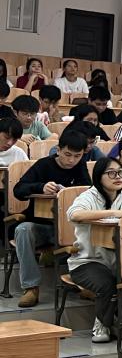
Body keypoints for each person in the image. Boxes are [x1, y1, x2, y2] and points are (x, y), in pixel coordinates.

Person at [67, 157, 122, 342]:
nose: (118, 177)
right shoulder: (89, 196)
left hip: (119, 260)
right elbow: (75, 214)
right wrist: (113, 213)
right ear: (99, 176)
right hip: (87, 262)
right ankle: (102, 324)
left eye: (120, 172)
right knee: (108, 283)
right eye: (111, 173)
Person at [11, 129, 91, 308]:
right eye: (67, 154)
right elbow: (19, 189)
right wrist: (41, 187)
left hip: (69, 227)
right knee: (22, 230)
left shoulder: (80, 166)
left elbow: (89, 191)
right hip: (42, 225)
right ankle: (31, 287)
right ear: (58, 150)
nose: (71, 160)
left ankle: (85, 283)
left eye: (77, 156)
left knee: (94, 231)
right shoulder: (43, 165)